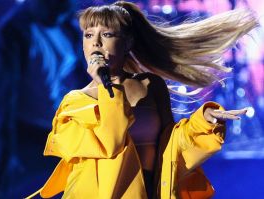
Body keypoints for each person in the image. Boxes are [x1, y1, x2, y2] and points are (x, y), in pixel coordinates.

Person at [26, 1, 258, 199]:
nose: (95, 43)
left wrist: (202, 122)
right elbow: (111, 142)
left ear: (127, 42)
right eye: (88, 35)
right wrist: (107, 86)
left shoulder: (150, 85)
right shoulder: (74, 103)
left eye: (107, 34)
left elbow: (171, 149)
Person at [0, 0, 89, 198]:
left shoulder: (69, 28)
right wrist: (7, 149)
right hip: (28, 132)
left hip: (62, 132)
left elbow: (83, 79)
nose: (57, 17)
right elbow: (5, 94)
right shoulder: (16, 31)